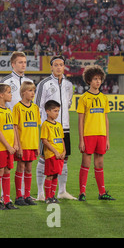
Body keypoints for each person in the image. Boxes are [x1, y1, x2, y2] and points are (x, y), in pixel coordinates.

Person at [35, 55, 75, 201]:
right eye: (56, 65)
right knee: (44, 158)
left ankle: (62, 191)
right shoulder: (43, 84)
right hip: (48, 128)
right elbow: (37, 106)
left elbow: (68, 103)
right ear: (51, 67)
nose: (59, 67)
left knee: (64, 158)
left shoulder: (69, 85)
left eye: (61, 65)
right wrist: (43, 125)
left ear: (64, 67)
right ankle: (41, 193)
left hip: (64, 127)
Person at [77, 65, 115, 201]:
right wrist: (81, 140)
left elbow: (106, 119)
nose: (97, 81)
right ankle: (82, 192)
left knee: (99, 164)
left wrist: (107, 139)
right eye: (94, 79)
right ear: (89, 81)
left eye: (99, 79)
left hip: (101, 135)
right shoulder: (84, 98)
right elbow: (80, 121)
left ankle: (102, 193)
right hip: (88, 135)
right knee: (86, 163)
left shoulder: (104, 98)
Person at [0, 84, 20, 210]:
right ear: (1, 95)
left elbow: (12, 128)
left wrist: (16, 143)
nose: (11, 94)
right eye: (8, 92)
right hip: (0, 147)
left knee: (7, 171)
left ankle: (7, 200)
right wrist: (8, 146)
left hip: (10, 147)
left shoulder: (8, 110)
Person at [12, 81, 40, 206]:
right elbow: (15, 127)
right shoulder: (17, 107)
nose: (32, 93)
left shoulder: (35, 108)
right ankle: (19, 196)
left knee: (29, 169)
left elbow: (36, 127)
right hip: (22, 144)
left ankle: (27, 195)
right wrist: (17, 145)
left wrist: (38, 145)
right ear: (23, 92)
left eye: (33, 90)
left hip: (32, 143)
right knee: (21, 167)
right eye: (30, 90)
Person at [40, 100, 66, 204]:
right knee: (50, 175)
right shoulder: (45, 125)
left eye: (58, 111)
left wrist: (64, 151)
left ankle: (53, 195)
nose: (57, 113)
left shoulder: (58, 125)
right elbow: (44, 140)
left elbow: (62, 138)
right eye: (55, 111)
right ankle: (48, 197)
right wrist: (55, 151)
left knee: (56, 175)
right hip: (51, 154)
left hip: (60, 154)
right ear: (47, 111)